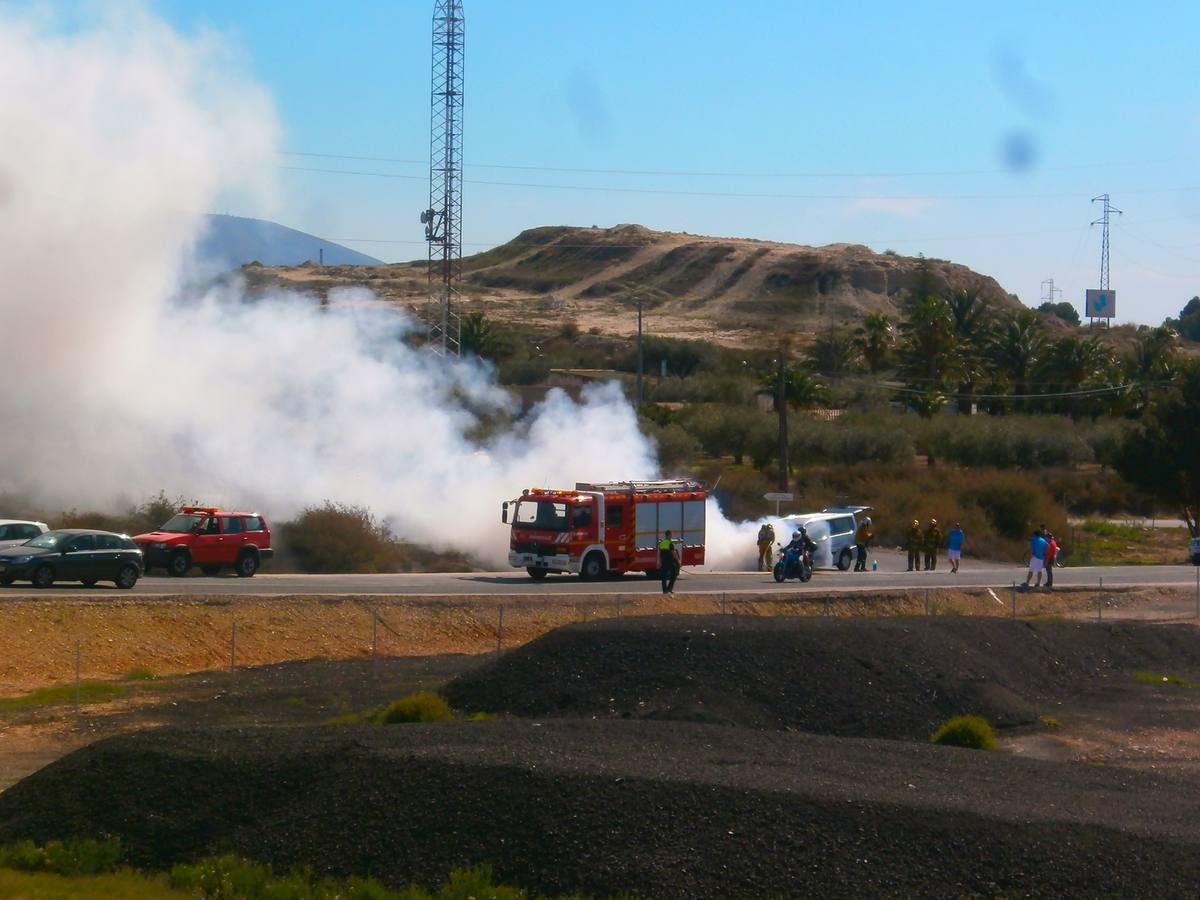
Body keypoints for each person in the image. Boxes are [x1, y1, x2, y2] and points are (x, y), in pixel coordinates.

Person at [658, 530, 681, 595]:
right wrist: (678, 561)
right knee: (674, 574)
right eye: (671, 535)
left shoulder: (662, 543)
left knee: (664, 576)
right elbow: (673, 553)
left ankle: (665, 591)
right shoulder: (670, 543)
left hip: (664, 561)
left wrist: (659, 562)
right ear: (668, 535)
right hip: (670, 561)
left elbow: (659, 553)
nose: (671, 536)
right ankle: (669, 589)